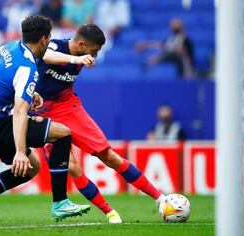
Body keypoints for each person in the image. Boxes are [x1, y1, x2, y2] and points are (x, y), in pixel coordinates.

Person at [0, 15, 88, 227]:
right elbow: (19, 111)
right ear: (45, 39)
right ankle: (60, 202)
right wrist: (20, 151)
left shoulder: (10, 47)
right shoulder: (28, 68)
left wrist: (27, 92)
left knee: (31, 168)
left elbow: (6, 72)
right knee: (63, 133)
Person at [33, 24, 166, 224]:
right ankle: (109, 212)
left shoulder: (84, 54)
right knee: (71, 166)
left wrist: (80, 58)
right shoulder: (56, 45)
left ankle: (160, 199)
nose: (95, 55)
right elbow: (46, 57)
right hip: (42, 112)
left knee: (109, 156)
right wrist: (76, 59)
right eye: (94, 50)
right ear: (81, 44)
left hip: (69, 107)